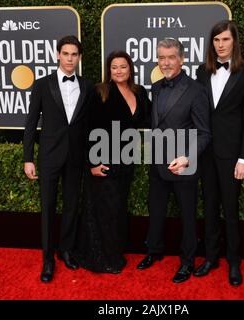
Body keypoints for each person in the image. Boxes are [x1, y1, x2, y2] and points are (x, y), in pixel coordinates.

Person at [136, 38, 211, 283]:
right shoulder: (156, 87)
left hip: (183, 166)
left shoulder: (196, 90)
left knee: (187, 216)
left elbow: (204, 132)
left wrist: (187, 158)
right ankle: (153, 251)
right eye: (161, 57)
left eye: (170, 57)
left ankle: (187, 262)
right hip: (157, 163)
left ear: (182, 59)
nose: (165, 62)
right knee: (155, 211)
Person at [193, 20, 244, 286]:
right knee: (209, 207)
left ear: (235, 42)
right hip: (205, 152)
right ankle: (210, 257)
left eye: (225, 40)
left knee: (230, 210)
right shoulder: (201, 72)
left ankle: (234, 261)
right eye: (216, 40)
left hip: (232, 155)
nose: (220, 45)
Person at [74, 51, 151, 274]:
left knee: (117, 210)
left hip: (126, 161)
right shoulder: (101, 91)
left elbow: (151, 117)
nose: (118, 71)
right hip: (102, 160)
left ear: (130, 69)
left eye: (123, 67)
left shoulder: (139, 92)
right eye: (114, 67)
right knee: (104, 210)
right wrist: (92, 163)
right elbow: (88, 128)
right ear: (109, 70)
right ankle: (102, 259)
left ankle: (114, 252)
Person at [23, 35, 92, 283]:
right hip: (49, 157)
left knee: (72, 206)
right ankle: (48, 259)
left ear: (79, 57)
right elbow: (31, 123)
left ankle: (66, 250)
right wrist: (28, 158)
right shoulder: (43, 84)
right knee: (48, 208)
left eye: (74, 54)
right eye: (66, 54)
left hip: (76, 157)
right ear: (58, 55)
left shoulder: (87, 86)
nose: (70, 58)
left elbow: (89, 125)